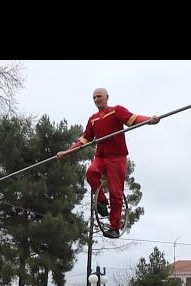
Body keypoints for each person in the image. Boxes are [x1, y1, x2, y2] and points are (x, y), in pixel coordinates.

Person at [57, 88, 159, 238]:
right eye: (94, 97)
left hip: (117, 157)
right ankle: (102, 202)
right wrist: (68, 151)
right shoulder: (93, 119)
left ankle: (114, 227)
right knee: (91, 173)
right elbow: (85, 139)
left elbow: (133, 119)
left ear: (106, 97)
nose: (97, 99)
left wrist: (149, 120)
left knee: (116, 193)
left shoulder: (116, 111)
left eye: (99, 96)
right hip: (101, 157)